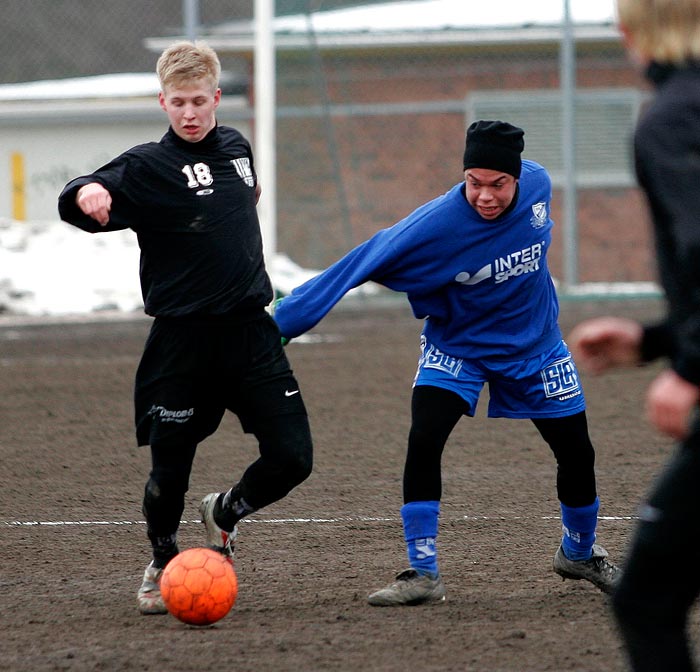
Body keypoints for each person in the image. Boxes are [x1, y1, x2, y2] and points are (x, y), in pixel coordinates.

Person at [273, 119, 620, 606]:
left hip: (534, 346)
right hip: (458, 346)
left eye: (497, 184)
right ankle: (422, 571)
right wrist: (285, 320)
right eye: (474, 182)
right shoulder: (438, 223)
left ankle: (579, 553)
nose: (484, 195)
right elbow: (365, 258)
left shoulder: (540, 186)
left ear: (518, 178)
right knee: (425, 437)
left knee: (577, 453)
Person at [57, 41, 313, 615]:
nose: (190, 113)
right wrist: (86, 193)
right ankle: (163, 558)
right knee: (169, 469)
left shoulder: (238, 148)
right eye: (178, 103)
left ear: (217, 98)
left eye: (199, 100)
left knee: (294, 458)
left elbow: (243, 199)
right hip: (182, 341)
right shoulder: (147, 166)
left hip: (250, 334)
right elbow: (82, 194)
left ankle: (225, 512)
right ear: (163, 102)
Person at [567, 0, 700, 668]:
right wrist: (655, 342)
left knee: (645, 600)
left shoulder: (673, 119)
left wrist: (691, 366)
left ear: (631, 31)